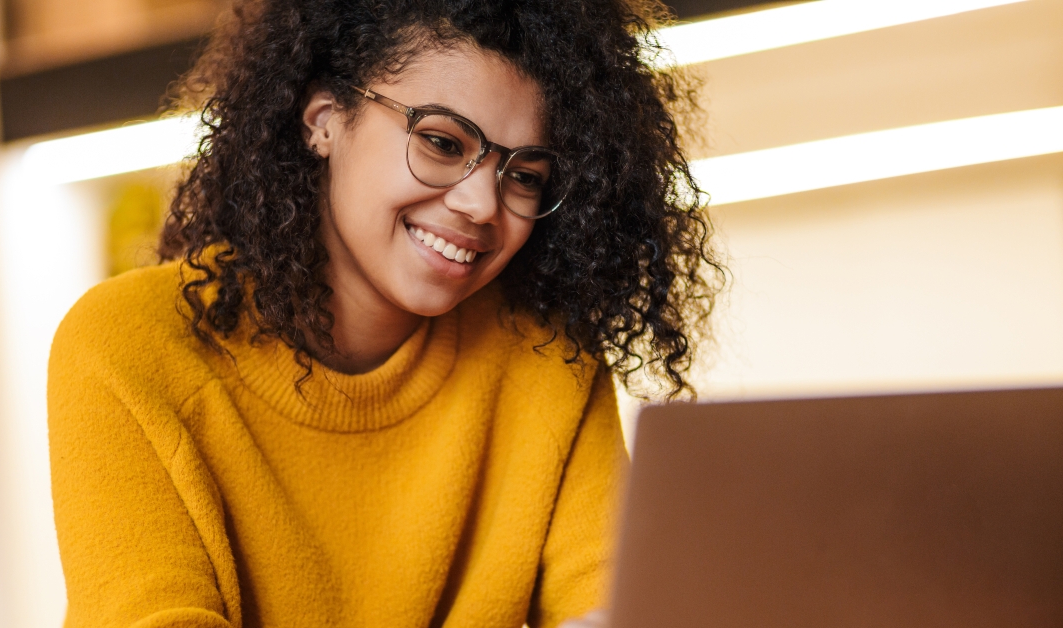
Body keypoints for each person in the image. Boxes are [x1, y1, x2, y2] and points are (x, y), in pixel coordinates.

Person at [46, 0, 721, 627]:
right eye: (443, 143)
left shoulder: (548, 358)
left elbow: (618, 608)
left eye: (523, 176)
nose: (482, 204)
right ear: (324, 121)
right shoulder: (129, 346)